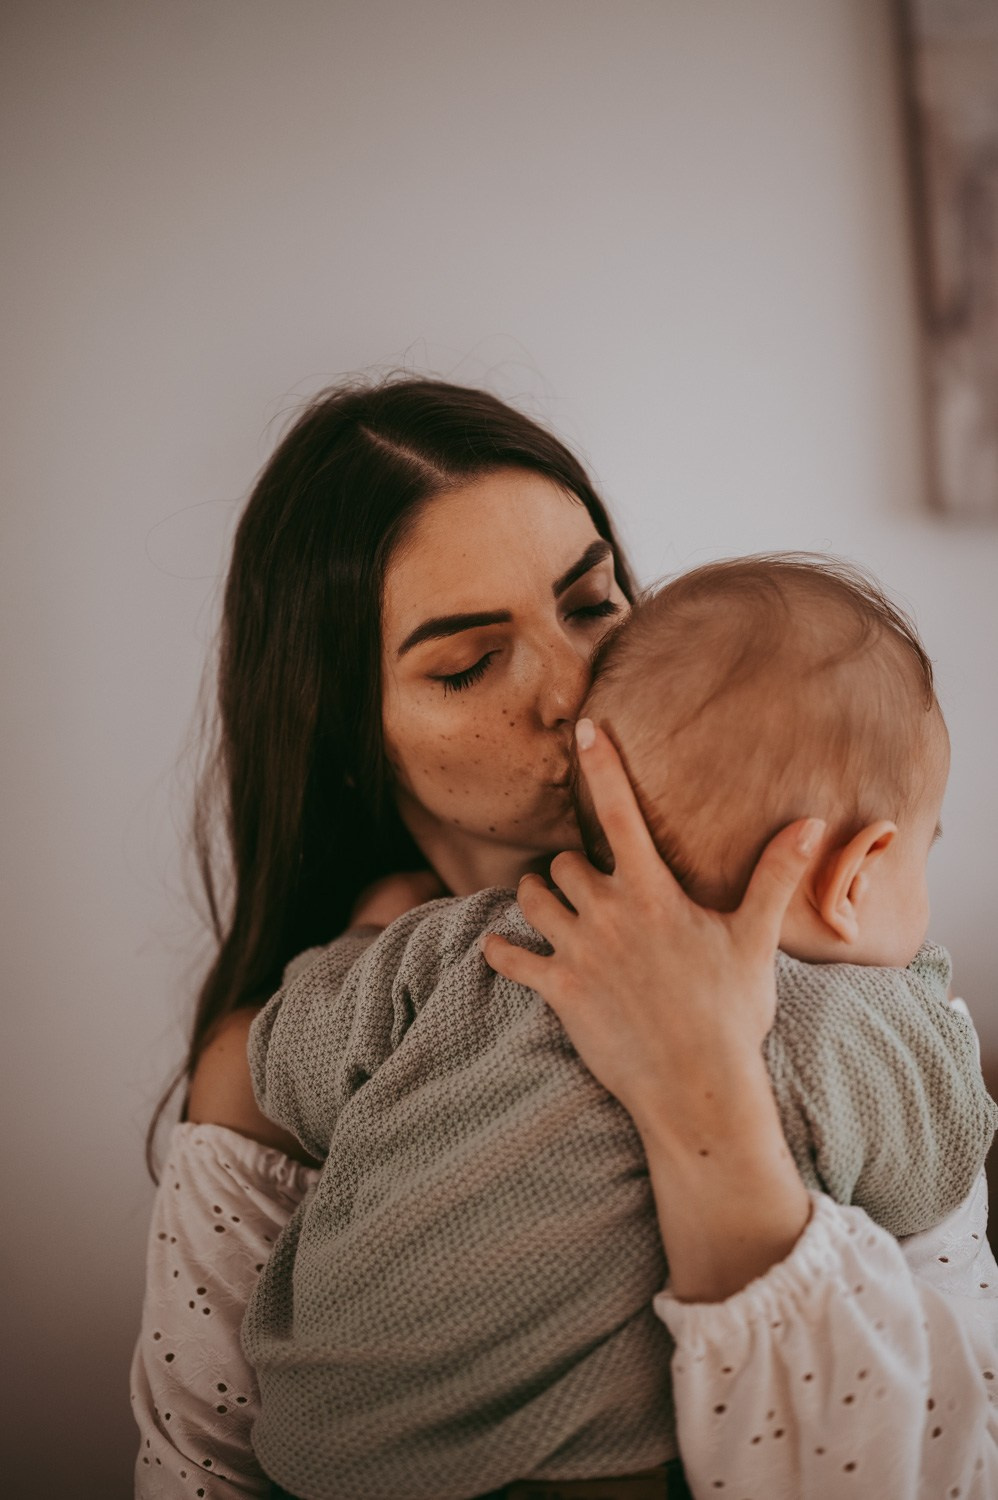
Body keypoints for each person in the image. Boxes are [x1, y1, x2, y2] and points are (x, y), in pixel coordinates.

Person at [130, 377, 998, 1499]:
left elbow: (953, 1468)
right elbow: (194, 1474)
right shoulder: (277, 1070)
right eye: (465, 663)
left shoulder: (853, 1002)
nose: (572, 687)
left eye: (589, 605)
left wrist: (710, 1104)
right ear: (350, 737)